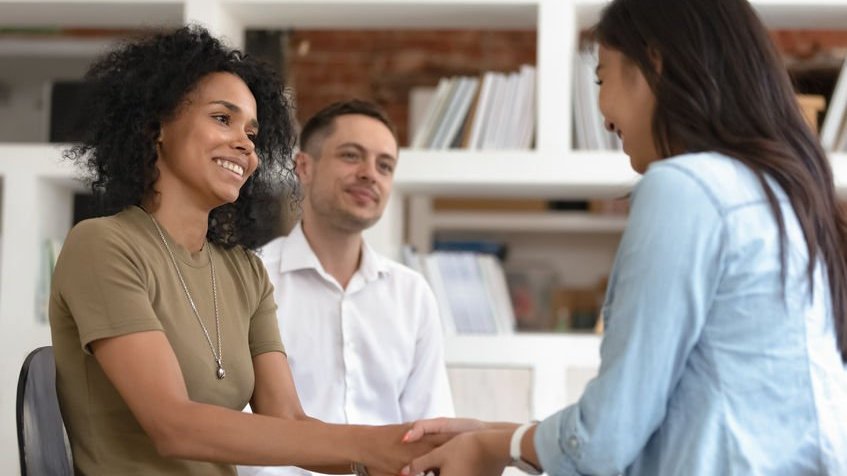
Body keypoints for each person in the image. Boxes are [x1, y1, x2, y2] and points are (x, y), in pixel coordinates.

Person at [401, 0, 847, 474]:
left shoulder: (688, 188)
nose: (603, 113)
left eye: (601, 77)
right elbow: (674, 422)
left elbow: (602, 443)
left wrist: (498, 446)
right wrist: (502, 437)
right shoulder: (782, 195)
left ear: (653, 62)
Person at [49, 25, 444, 476]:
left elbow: (289, 422)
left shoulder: (245, 272)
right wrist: (373, 445)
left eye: (253, 133)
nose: (244, 144)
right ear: (156, 126)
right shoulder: (104, 245)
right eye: (222, 119)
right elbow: (173, 425)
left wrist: (404, 460)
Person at [238, 99, 455, 476]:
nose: (370, 174)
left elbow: (429, 428)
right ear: (304, 167)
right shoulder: (251, 279)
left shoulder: (411, 294)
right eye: (352, 156)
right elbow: (236, 429)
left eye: (384, 166)